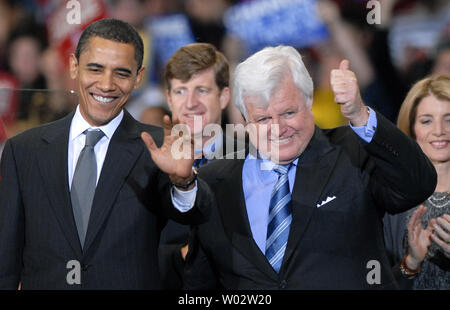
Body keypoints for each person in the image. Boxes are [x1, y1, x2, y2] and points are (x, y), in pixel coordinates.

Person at [183, 45, 437, 289]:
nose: (278, 129)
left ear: (309, 101)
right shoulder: (213, 181)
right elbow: (200, 282)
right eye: (263, 119)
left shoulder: (351, 151)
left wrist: (359, 115)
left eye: (288, 113)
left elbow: (417, 184)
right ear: (245, 119)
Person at [0, 18, 212, 290]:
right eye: (95, 69)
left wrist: (183, 182)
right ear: (74, 66)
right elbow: (6, 260)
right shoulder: (24, 150)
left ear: (138, 77)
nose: (106, 84)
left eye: (121, 73)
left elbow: (195, 216)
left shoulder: (159, 148)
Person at [158, 42, 245, 289]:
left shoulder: (253, 158)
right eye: (180, 91)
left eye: (202, 90)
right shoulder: (145, 165)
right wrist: (182, 256)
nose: (191, 103)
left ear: (224, 96)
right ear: (169, 99)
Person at [383, 75, 450, 289]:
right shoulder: (388, 198)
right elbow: (371, 280)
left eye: (449, 119)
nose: (439, 130)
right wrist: (410, 263)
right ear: (411, 130)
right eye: (426, 120)